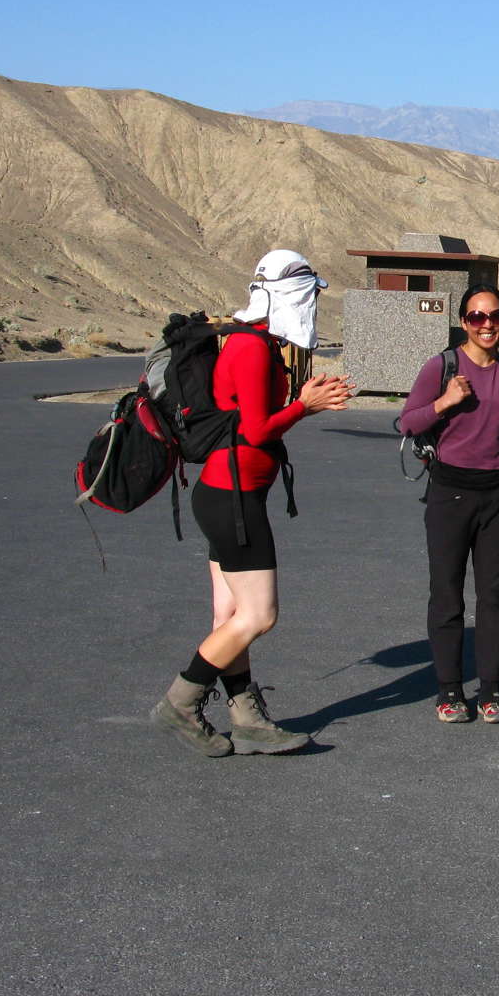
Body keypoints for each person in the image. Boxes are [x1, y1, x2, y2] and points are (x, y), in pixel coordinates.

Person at [151, 249, 353, 757]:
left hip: (227, 494)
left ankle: (247, 719)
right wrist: (303, 406)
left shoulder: (253, 342)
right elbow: (258, 430)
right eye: (309, 296)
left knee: (230, 616)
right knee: (259, 616)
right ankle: (180, 701)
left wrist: (303, 404)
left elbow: (251, 420)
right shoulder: (251, 348)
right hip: (233, 499)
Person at [400, 285, 499, 723]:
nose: (487, 325)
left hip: (498, 493)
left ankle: (491, 691)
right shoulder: (442, 366)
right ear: (464, 322)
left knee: (496, 597)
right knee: (447, 595)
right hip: (450, 492)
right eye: (477, 317)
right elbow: (407, 422)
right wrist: (445, 401)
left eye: (495, 316)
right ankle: (449, 691)